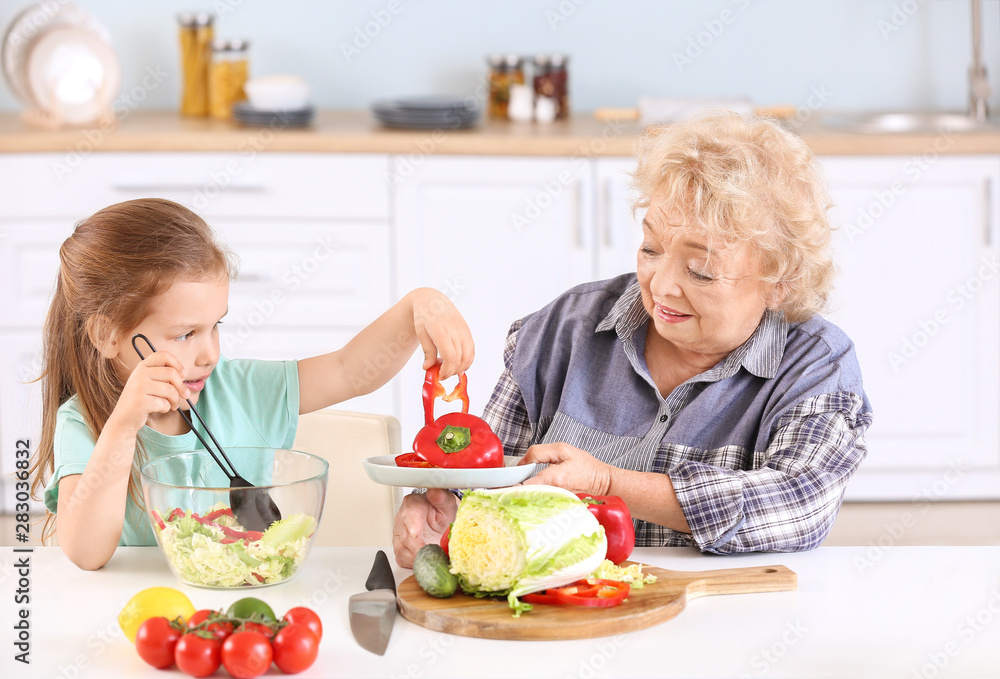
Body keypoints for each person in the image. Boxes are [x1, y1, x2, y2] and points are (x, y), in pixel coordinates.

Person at [393, 112, 873, 567]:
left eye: (700, 271)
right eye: (651, 248)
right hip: (561, 615)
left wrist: (607, 481)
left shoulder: (816, 366)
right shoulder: (564, 330)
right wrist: (440, 515)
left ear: (778, 282)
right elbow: (482, 480)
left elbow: (799, 504)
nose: (662, 286)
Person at [30, 198, 474, 570]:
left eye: (215, 326)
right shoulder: (85, 421)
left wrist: (420, 304)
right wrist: (124, 426)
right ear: (108, 335)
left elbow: (348, 370)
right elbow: (86, 554)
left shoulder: (237, 388)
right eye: (186, 334)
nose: (210, 354)